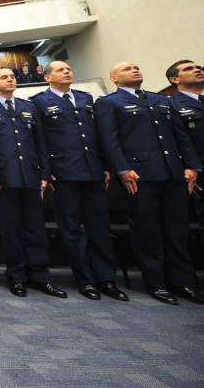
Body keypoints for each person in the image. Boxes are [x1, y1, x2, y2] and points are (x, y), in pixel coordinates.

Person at [94, 62, 203, 305]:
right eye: (127, 69)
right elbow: (108, 139)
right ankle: (157, 283)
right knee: (147, 231)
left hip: (173, 173)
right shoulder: (109, 103)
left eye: (137, 67)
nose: (135, 70)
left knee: (177, 230)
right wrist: (122, 169)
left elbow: (180, 136)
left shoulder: (162, 100)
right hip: (139, 175)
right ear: (114, 78)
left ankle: (183, 282)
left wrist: (192, 166)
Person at [28, 62, 127, 301]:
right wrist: (46, 171)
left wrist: (104, 166)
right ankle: (85, 279)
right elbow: (38, 141)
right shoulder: (38, 102)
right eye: (61, 70)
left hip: (92, 170)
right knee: (72, 229)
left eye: (69, 68)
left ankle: (106, 279)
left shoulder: (86, 98)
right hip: (62, 173)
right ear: (47, 77)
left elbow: (97, 135)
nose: (67, 71)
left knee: (100, 228)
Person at [0, 67, 67, 299]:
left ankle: (40, 276)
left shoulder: (28, 107)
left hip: (31, 177)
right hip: (3, 179)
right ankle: (16, 277)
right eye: (4, 77)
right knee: (12, 230)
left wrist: (44, 175)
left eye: (12, 76)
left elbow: (40, 145)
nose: (10, 79)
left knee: (36, 229)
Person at [165, 60, 204, 241]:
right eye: (189, 69)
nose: (197, 70)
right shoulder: (170, 106)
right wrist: (187, 171)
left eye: (198, 67)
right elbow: (175, 143)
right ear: (175, 79)